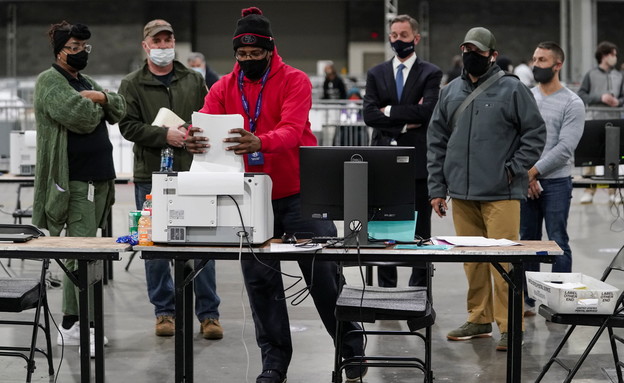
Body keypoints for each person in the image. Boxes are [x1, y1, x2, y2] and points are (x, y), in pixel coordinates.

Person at [185, 7, 365, 383]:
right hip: (250, 198)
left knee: (323, 277)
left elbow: (292, 130)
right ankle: (274, 362)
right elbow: (206, 121)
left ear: (270, 51)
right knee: (261, 284)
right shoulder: (222, 88)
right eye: (241, 55)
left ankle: (350, 348)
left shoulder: (295, 81)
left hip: (301, 193)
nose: (248, 61)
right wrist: (194, 136)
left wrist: (259, 141)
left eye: (255, 54)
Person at [427, 27, 546, 351]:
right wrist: (437, 188)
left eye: (478, 52)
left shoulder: (512, 89)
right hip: (462, 195)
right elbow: (436, 141)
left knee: (503, 262)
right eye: (466, 50)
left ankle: (511, 327)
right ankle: (479, 318)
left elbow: (534, 133)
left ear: (492, 55)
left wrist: (513, 168)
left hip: (501, 194)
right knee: (473, 262)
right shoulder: (450, 92)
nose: (471, 56)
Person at [118, 19, 223, 339]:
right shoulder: (132, 84)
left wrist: (196, 132)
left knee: (205, 242)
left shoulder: (194, 79)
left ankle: (209, 314)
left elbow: (209, 116)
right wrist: (165, 135)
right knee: (155, 247)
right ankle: (164, 312)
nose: (163, 46)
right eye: (157, 41)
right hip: (151, 175)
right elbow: (128, 127)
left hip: (194, 173)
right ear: (145, 46)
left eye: (168, 40)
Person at [32, 21, 126, 355]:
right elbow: (82, 118)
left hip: (98, 180)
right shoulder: (49, 81)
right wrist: (100, 104)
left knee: (90, 251)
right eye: (73, 47)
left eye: (85, 47)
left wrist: (101, 97)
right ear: (59, 49)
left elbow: (119, 106)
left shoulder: (84, 81)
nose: (80, 52)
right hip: (73, 182)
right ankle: (73, 324)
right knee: (79, 253)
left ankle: (80, 321)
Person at [363, 14, 442, 288]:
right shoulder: (376, 73)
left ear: (416, 38)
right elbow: (369, 115)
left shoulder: (431, 73)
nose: (398, 40)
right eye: (394, 35)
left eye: (404, 36)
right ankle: (386, 291)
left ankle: (418, 289)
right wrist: (406, 120)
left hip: (418, 163)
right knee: (384, 228)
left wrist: (389, 111)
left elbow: (428, 111)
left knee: (420, 231)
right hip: (383, 161)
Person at [520, 41, 585, 316]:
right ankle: (529, 301)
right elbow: (517, 139)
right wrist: (528, 175)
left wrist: (533, 172)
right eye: (534, 59)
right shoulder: (526, 97)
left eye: (543, 60)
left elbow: (564, 148)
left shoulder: (573, 102)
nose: (536, 64)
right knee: (528, 242)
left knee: (557, 241)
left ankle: (559, 301)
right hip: (526, 179)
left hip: (556, 181)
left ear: (558, 65)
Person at [577, 41, 623, 204]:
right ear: (604, 55)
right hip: (595, 120)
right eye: (612, 54)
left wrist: (618, 102)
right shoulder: (591, 75)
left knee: (614, 156)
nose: (615, 57)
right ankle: (589, 189)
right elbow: (581, 94)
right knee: (592, 157)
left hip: (614, 121)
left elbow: (623, 96)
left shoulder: (619, 75)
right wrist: (600, 98)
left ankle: (614, 191)